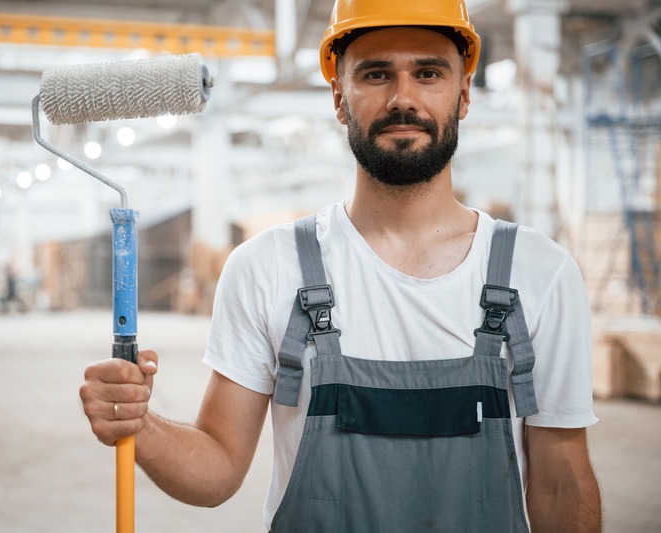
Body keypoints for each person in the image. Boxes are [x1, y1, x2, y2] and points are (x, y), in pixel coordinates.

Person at [80, 0, 602, 530]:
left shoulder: (539, 272)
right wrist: (138, 426)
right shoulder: (267, 268)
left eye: (428, 72)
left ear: (463, 93)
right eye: (376, 74)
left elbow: (561, 481)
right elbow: (216, 469)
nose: (403, 98)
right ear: (338, 96)